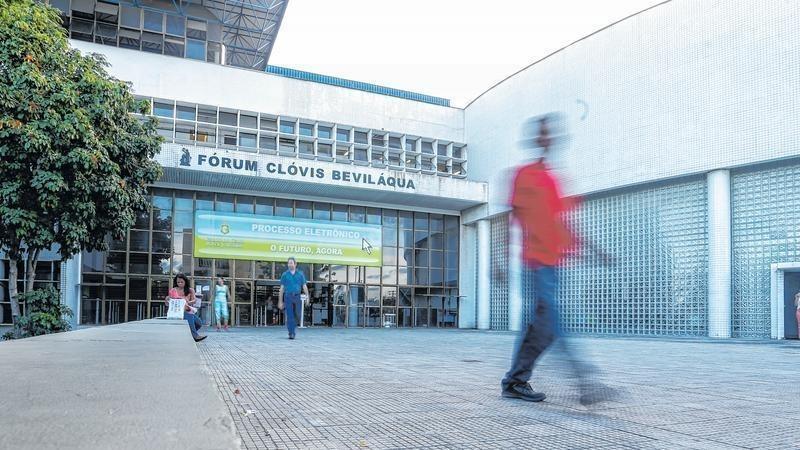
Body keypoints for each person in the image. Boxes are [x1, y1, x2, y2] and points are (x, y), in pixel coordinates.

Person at [501, 113, 609, 405]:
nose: (548, 138)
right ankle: (585, 381)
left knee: (544, 330)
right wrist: (500, 258)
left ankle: (515, 381)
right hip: (535, 264)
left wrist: (594, 250)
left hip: (554, 264)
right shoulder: (524, 174)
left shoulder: (554, 179)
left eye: (552, 133)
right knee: (553, 322)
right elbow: (513, 217)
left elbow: (563, 223)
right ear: (536, 138)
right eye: (543, 132)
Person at [165, 273, 206, 342]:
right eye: (178, 282)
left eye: (182, 282)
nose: (180, 284)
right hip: (178, 312)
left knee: (199, 323)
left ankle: (189, 334)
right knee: (190, 316)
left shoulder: (190, 290)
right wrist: (167, 300)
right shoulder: (173, 290)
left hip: (188, 309)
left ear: (185, 282)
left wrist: (188, 302)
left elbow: (194, 300)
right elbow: (169, 303)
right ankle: (195, 336)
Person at [278, 257, 309, 339]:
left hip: (297, 297)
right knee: (290, 315)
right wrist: (280, 301)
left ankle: (292, 328)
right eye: (288, 263)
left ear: (295, 264)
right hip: (288, 297)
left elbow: (304, 286)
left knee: (298, 314)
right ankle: (291, 333)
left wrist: (307, 297)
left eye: (291, 263)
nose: (289, 264)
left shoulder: (300, 274)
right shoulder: (285, 275)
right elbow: (282, 288)